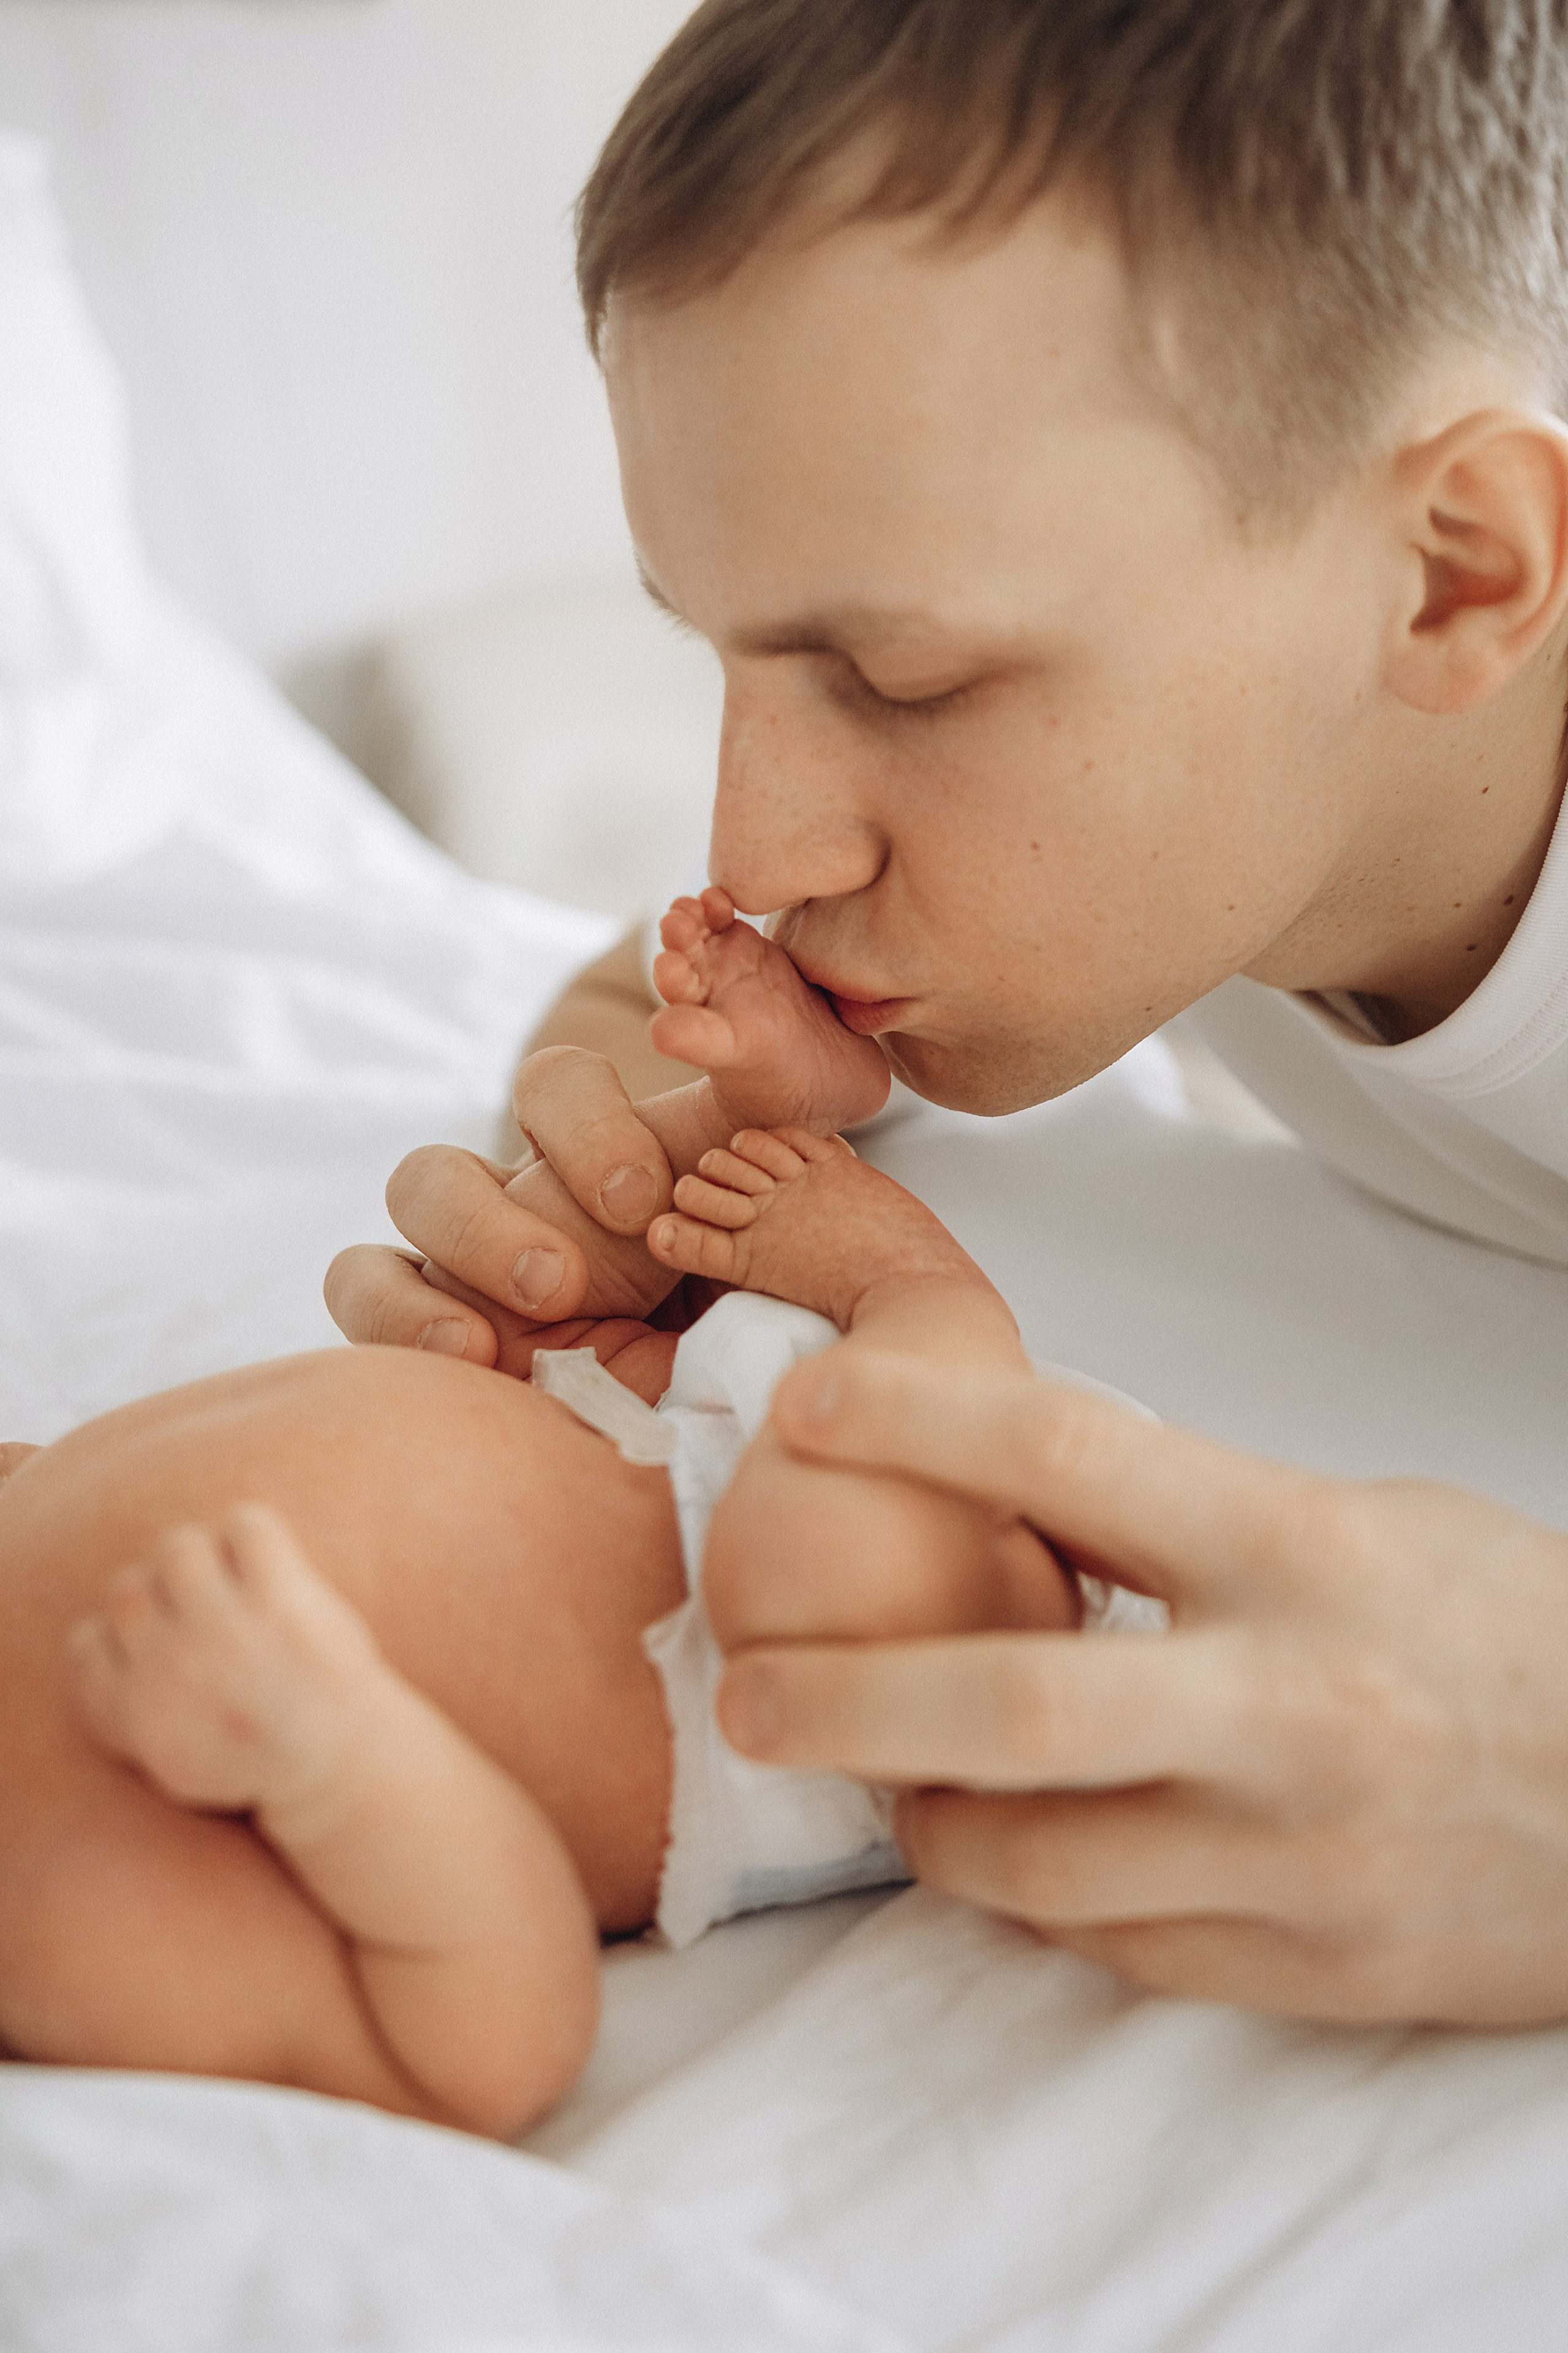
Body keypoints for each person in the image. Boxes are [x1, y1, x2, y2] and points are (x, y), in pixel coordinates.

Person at [326, 0, 1568, 2024]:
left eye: (907, 682)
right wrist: (645, 1124)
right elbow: (649, 988)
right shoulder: (1234, 778)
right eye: (721, 656)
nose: (759, 839)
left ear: (1450, 578)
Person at [0, 923, 1072, 2136]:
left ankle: (764, 1104)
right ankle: (911, 1292)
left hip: (638, 1425)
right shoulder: (56, 1928)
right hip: (787, 1670)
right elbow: (483, 2044)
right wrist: (329, 1757)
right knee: (815, 1550)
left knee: (547, 1277)